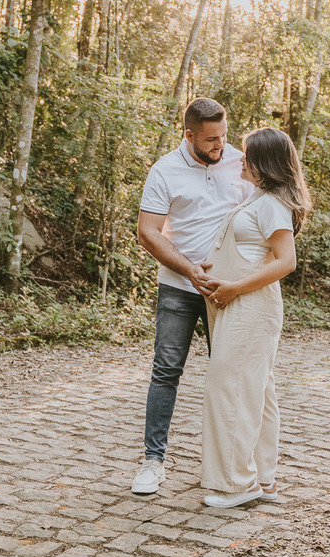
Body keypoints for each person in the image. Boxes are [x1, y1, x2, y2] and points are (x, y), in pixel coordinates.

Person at [132, 98, 252, 494]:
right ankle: (153, 461)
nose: (221, 146)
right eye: (211, 140)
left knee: (232, 374)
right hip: (179, 288)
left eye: (224, 136)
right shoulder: (165, 170)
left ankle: (231, 465)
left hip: (230, 291)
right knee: (166, 370)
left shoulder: (240, 162)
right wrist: (190, 270)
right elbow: (147, 231)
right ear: (189, 135)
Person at [199, 127, 311, 508]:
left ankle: (237, 483)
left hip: (251, 307)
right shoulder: (257, 199)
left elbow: (286, 262)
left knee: (228, 390)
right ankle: (263, 479)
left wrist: (234, 287)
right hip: (235, 305)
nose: (240, 158)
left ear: (264, 164)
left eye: (247, 154)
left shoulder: (273, 204)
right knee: (257, 393)